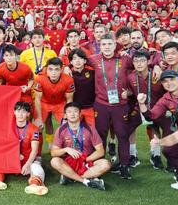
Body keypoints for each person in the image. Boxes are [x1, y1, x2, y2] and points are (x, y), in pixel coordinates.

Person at [139, 69, 178, 189]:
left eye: (172, 79)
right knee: (169, 150)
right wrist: (142, 104)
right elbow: (151, 116)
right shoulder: (165, 98)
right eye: (165, 81)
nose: (169, 83)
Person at [85, 34, 132, 179]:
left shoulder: (125, 59)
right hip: (101, 104)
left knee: (122, 135)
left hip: (120, 104)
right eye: (103, 44)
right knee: (100, 135)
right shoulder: (94, 59)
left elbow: (140, 68)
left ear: (115, 45)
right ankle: (100, 164)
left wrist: (130, 91)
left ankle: (124, 165)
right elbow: (77, 57)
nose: (107, 47)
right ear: (99, 46)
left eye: (110, 44)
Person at [0, 101, 48, 196]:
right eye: (18, 111)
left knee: (36, 168)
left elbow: (34, 150)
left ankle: (34, 185)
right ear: (14, 112)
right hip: (12, 158)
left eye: (23, 112)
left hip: (28, 159)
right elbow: (3, 146)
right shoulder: (8, 127)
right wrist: (14, 156)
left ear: (28, 114)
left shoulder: (33, 129)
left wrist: (28, 164)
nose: (20, 114)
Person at [50, 102, 111, 190]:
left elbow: (100, 151)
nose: (72, 114)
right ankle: (86, 181)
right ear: (65, 115)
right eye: (69, 112)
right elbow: (53, 152)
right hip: (69, 163)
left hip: (87, 163)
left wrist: (85, 160)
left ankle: (70, 176)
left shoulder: (90, 128)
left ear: (80, 114)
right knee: (54, 161)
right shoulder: (61, 130)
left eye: (75, 111)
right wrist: (66, 149)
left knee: (106, 164)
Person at [33, 57, 75, 145]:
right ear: (46, 70)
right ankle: (43, 149)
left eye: (56, 69)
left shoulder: (68, 80)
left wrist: (66, 116)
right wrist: (39, 118)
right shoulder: (40, 78)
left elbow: (69, 99)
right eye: (50, 69)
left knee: (67, 126)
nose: (53, 73)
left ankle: (65, 147)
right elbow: (37, 99)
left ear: (61, 70)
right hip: (44, 102)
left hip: (60, 103)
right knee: (38, 127)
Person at [68, 49, 96, 127]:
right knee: (75, 130)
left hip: (90, 108)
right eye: (74, 58)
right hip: (75, 109)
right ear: (71, 62)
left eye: (80, 58)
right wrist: (66, 68)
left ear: (85, 61)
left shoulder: (92, 73)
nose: (77, 61)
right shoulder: (68, 75)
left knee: (91, 130)